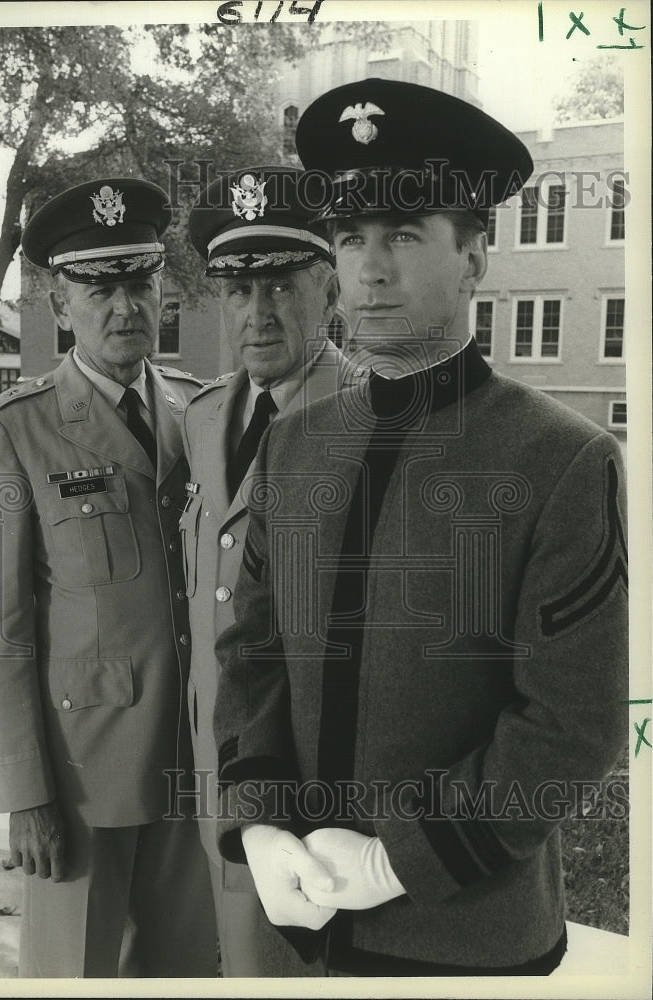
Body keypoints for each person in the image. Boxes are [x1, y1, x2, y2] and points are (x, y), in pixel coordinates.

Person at [212, 79, 629, 977]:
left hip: (467, 931)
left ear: (475, 255)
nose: (371, 270)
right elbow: (251, 655)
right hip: (308, 915)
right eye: (351, 239)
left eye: (404, 235)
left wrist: (407, 857)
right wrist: (259, 819)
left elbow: (573, 724)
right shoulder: (293, 445)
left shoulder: (560, 459)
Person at [0, 177, 217, 978]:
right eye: (99, 288)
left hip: (189, 766)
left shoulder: (202, 416)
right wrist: (24, 793)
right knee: (74, 975)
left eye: (138, 283)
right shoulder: (17, 431)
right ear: (60, 302)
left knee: (175, 974)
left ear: (161, 287)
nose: (124, 306)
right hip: (81, 778)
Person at [182, 166, 361, 975]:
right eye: (237, 289)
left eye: (282, 285)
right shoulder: (204, 415)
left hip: (312, 772)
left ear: (327, 290)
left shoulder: (372, 416)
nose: (257, 313)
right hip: (212, 760)